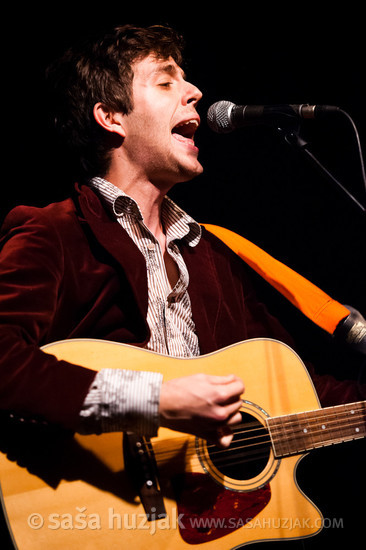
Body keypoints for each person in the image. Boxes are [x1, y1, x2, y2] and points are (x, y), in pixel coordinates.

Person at [0, 24, 363, 453]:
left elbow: (290, 385)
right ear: (111, 117)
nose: (194, 91)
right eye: (167, 81)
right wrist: (157, 400)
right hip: (88, 502)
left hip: (197, 512)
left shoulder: (215, 252)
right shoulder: (55, 233)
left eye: (186, 79)